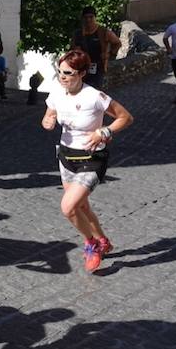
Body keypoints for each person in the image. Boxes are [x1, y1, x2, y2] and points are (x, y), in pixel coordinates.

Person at [41, 49, 133, 273]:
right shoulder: (56, 93)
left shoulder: (95, 96)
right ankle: (103, 241)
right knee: (81, 206)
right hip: (66, 157)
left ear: (81, 73)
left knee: (68, 207)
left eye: (68, 73)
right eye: (59, 72)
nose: (62, 77)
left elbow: (126, 117)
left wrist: (105, 132)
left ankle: (91, 243)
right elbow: (48, 115)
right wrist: (48, 121)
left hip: (92, 158)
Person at [71, 6, 122, 90]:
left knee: (95, 91)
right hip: (82, 67)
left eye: (91, 17)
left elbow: (117, 43)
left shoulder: (103, 32)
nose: (88, 20)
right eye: (86, 17)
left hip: (98, 67)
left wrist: (111, 55)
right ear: (82, 19)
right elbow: (72, 50)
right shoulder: (78, 34)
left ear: (95, 17)